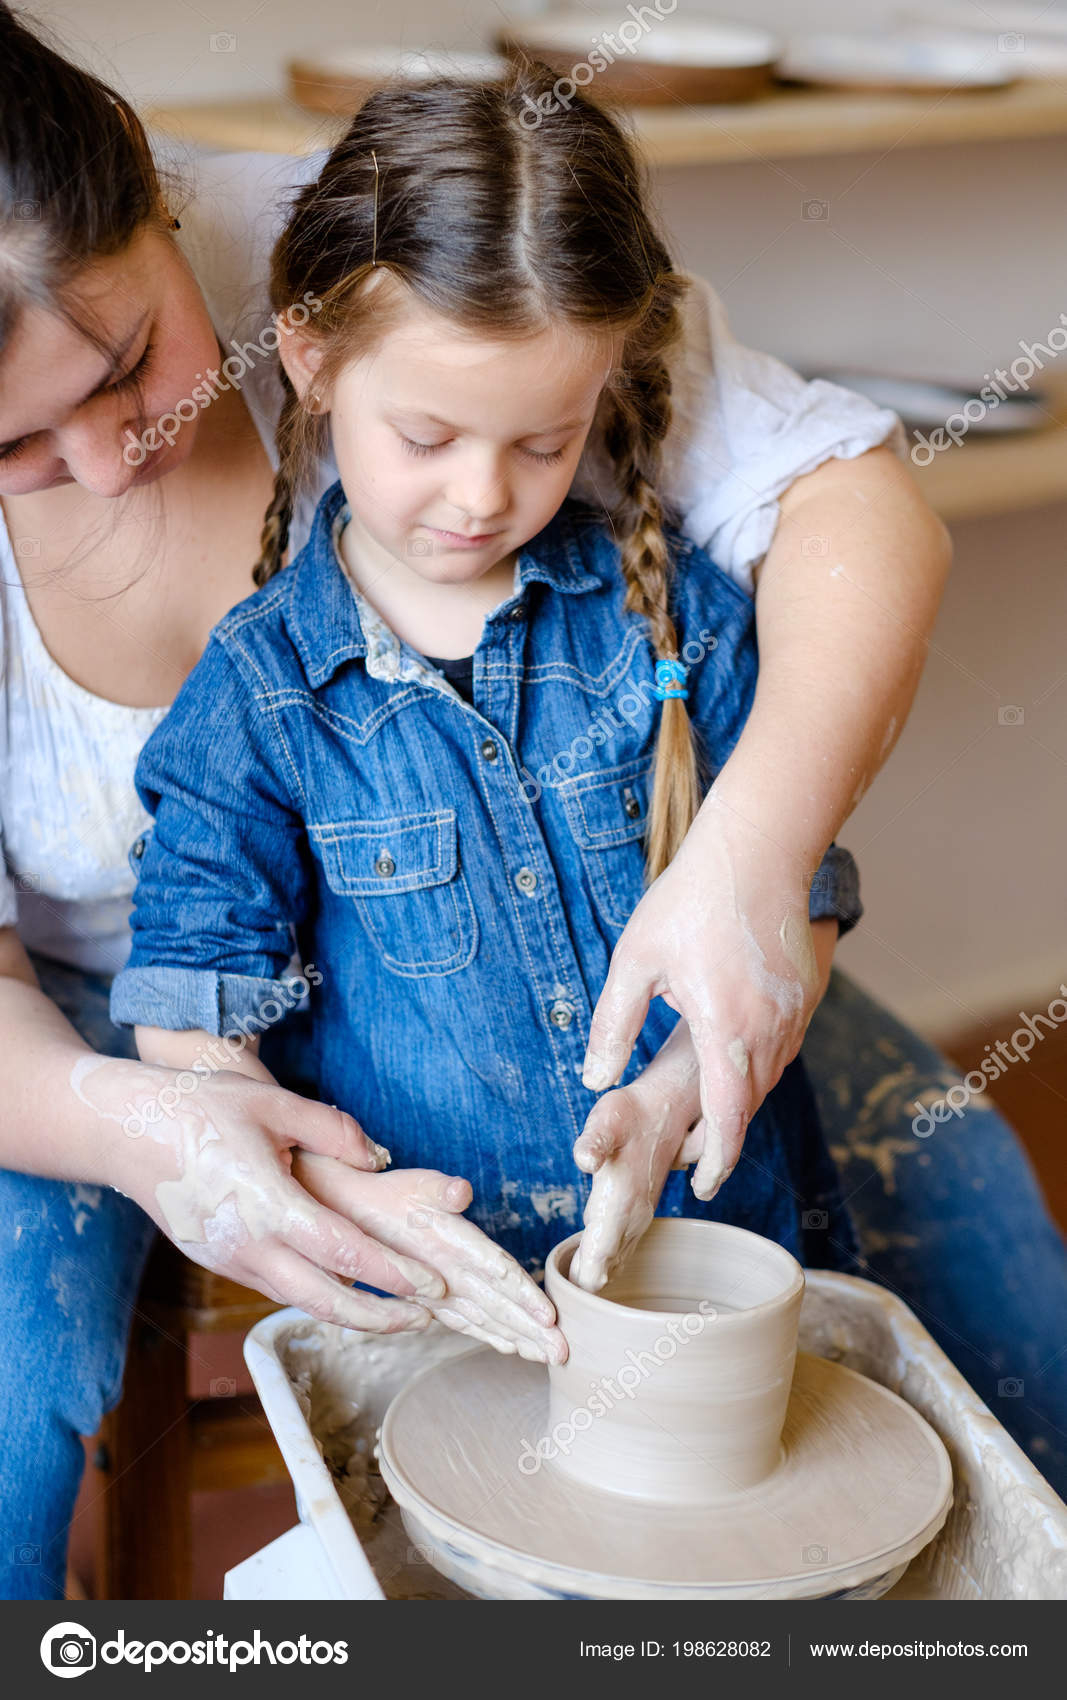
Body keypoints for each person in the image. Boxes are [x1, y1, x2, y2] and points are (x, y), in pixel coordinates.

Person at [0, 5, 954, 1600]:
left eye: (121, 371)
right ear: (320, 366)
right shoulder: (263, 683)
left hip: (686, 1060)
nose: (107, 463)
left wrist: (743, 895)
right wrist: (193, 1127)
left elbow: (846, 523)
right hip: (146, 1053)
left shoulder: (449, 248)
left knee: (959, 1348)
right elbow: (197, 970)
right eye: (13, 442)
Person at [109, 60, 866, 1311]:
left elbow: (797, 899)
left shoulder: (672, 618)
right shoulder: (260, 695)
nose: (480, 495)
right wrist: (326, 1188)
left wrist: (676, 1093)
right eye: (427, 438)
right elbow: (191, 1010)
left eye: (542, 442)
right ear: (308, 357)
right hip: (442, 1294)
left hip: (726, 1265)